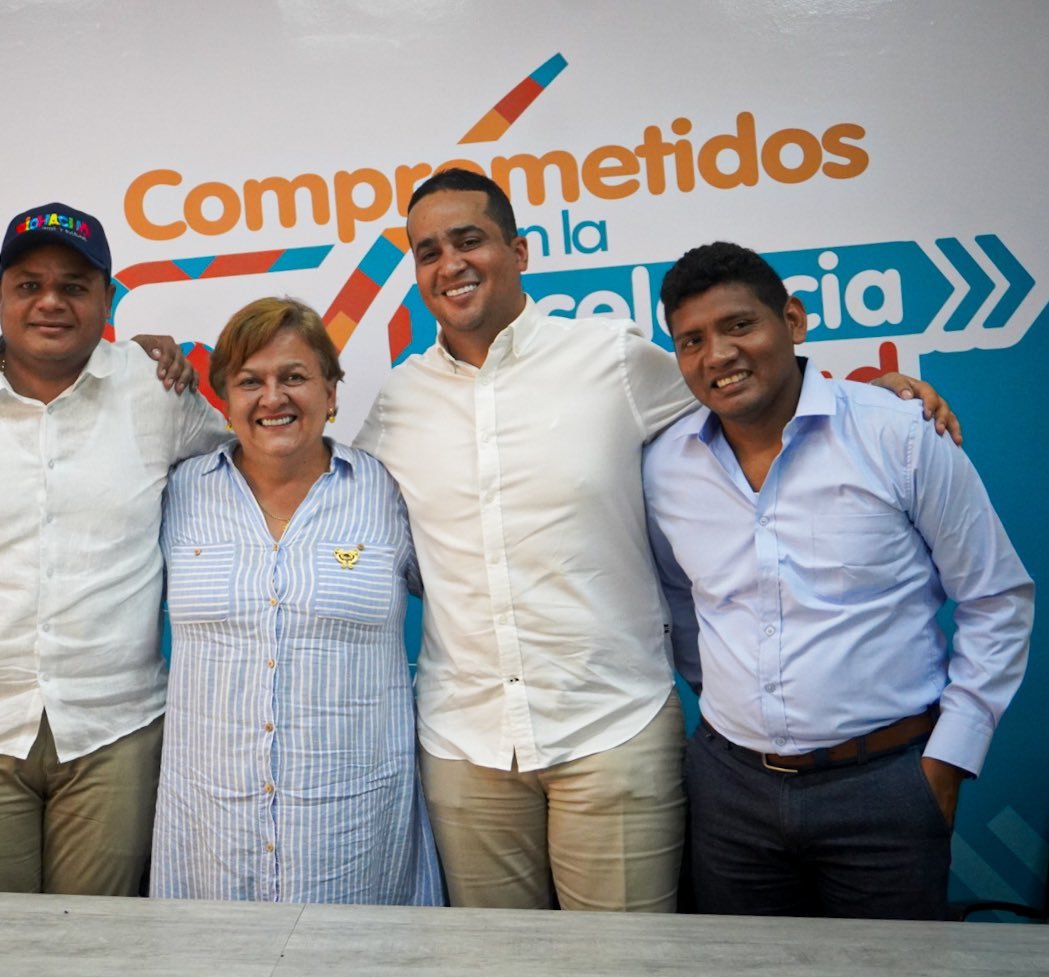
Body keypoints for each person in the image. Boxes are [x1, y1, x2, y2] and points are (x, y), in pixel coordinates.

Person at [353, 169, 960, 911]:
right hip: (464, 741)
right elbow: (340, 503)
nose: (448, 264)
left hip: (611, 729)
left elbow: (746, 388)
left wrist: (875, 395)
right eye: (426, 251)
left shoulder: (609, 357)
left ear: (517, 250)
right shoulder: (399, 401)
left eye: (468, 240)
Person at [644, 241, 1032, 919]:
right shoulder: (664, 468)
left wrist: (944, 764)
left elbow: (995, 600)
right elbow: (678, 603)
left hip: (885, 786)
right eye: (691, 340)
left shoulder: (899, 435)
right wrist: (730, 703)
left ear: (791, 321)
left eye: (739, 326)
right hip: (728, 792)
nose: (717, 355)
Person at [0, 200, 228, 895]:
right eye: (29, 285)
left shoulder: (155, 392)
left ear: (107, 297)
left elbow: (247, 482)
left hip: (117, 730)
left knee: (97, 962)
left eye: (74, 286)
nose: (50, 302)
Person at [152, 297, 442, 905]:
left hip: (357, 842)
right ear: (224, 400)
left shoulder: (391, 492)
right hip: (210, 842)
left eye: (295, 377)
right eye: (249, 382)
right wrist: (129, 359)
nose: (273, 398)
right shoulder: (176, 494)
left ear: (332, 392)